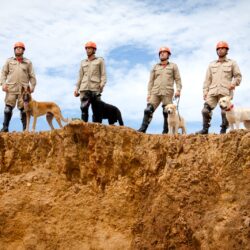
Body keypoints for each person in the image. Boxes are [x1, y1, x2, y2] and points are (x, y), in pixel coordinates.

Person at [197, 41, 242, 134]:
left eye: (223, 49)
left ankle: (224, 129)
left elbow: (238, 76)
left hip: (225, 91)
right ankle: (205, 129)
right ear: (217, 51)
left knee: (224, 111)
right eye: (219, 49)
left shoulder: (232, 63)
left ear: (226, 50)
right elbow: (207, 80)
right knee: (205, 110)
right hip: (212, 92)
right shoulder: (211, 64)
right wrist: (205, 92)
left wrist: (234, 84)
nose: (220, 50)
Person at [138, 46, 182, 133]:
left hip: (167, 92)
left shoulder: (173, 66)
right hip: (155, 92)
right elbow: (151, 81)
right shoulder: (155, 67)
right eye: (160, 53)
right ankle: (142, 129)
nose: (162, 54)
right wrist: (149, 93)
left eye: (164, 52)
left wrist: (178, 90)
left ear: (168, 55)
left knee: (167, 111)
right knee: (148, 110)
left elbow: (178, 79)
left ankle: (166, 131)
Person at [0, 42, 37, 132]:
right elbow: (3, 73)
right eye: (16, 48)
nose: (18, 49)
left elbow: (32, 76)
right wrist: (3, 83)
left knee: (24, 110)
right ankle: (5, 128)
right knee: (8, 109)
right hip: (11, 89)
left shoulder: (28, 62)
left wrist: (32, 86)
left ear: (23, 50)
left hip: (23, 91)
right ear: (14, 50)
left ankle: (25, 129)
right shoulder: (9, 61)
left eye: (20, 48)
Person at [74, 41, 107, 122]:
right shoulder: (83, 62)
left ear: (94, 50)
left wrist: (102, 85)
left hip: (95, 89)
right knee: (83, 109)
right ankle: (84, 128)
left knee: (96, 111)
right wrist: (76, 88)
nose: (88, 50)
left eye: (90, 48)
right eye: (87, 48)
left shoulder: (100, 61)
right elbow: (80, 76)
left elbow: (103, 75)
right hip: (84, 89)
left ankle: (97, 130)